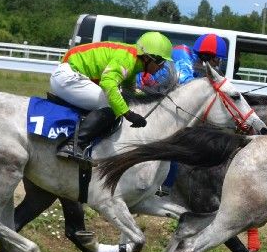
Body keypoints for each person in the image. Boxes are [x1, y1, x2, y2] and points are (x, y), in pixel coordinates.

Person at [50, 31, 174, 165]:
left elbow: (129, 89)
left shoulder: (133, 60)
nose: (162, 67)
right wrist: (128, 114)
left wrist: (152, 97)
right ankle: (73, 145)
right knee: (111, 105)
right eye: (161, 61)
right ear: (147, 57)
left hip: (69, 75)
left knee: (117, 100)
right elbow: (108, 83)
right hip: (68, 77)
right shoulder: (127, 59)